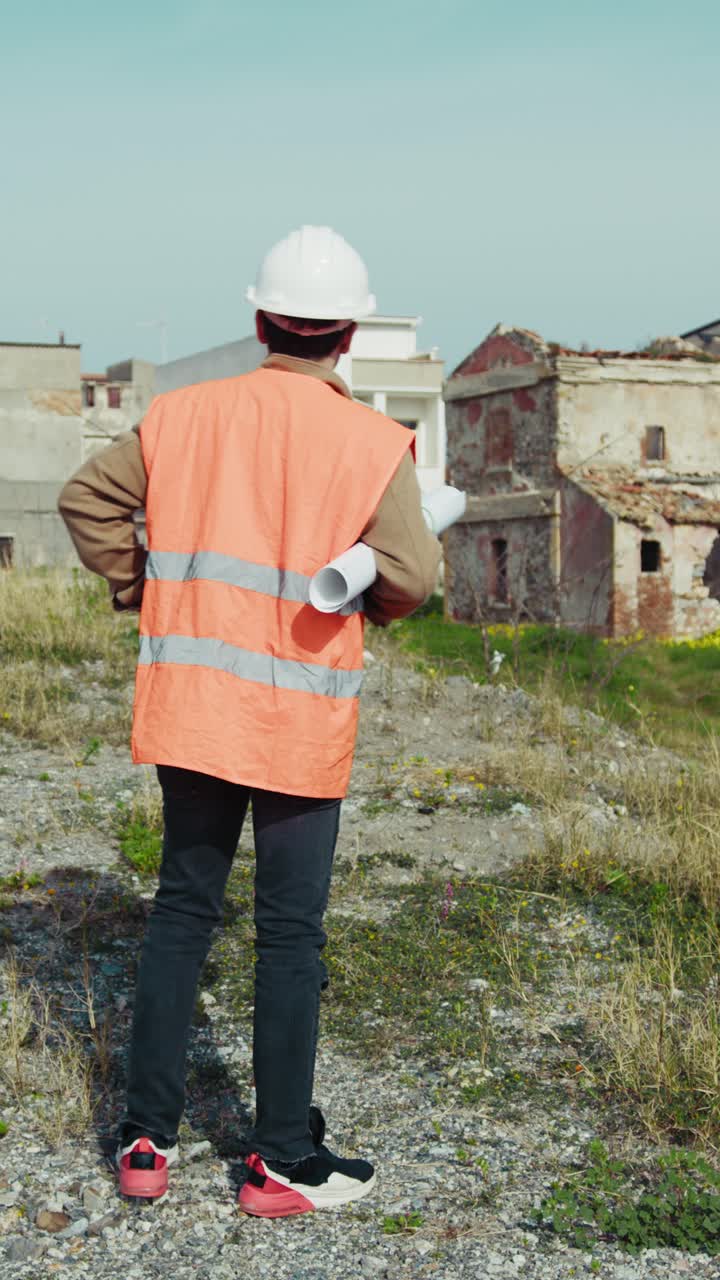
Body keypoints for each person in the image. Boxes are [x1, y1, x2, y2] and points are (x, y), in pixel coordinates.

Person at [58, 225, 441, 1217]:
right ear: (347, 334)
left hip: (193, 708)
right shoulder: (368, 441)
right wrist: (372, 601)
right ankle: (279, 1158)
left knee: (182, 912)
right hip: (297, 722)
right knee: (288, 932)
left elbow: (85, 499)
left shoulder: (181, 415)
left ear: (261, 317)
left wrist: (143, 587)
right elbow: (411, 574)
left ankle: (144, 1139)